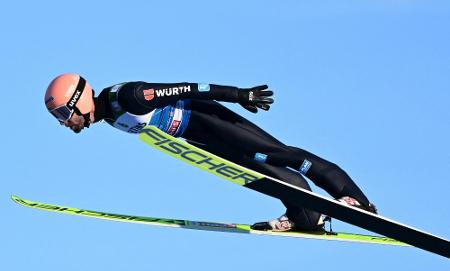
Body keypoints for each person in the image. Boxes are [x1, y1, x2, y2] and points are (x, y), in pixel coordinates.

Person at [44, 73, 377, 232]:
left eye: (63, 114)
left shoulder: (130, 97)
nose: (65, 123)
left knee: (276, 153)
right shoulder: (110, 116)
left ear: (79, 101)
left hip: (209, 119)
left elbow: (188, 88)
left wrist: (239, 94)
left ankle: (353, 198)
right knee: (256, 175)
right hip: (196, 138)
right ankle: (306, 215)